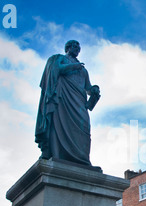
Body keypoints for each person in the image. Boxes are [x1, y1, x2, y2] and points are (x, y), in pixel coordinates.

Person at [35, 40, 101, 171]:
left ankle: (82, 159)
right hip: (62, 99)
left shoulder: (83, 70)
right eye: (74, 46)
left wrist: (94, 90)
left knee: (84, 129)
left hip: (79, 102)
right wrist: (71, 67)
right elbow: (54, 71)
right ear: (67, 48)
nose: (77, 48)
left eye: (78, 47)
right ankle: (56, 154)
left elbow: (87, 87)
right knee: (58, 124)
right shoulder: (58, 59)